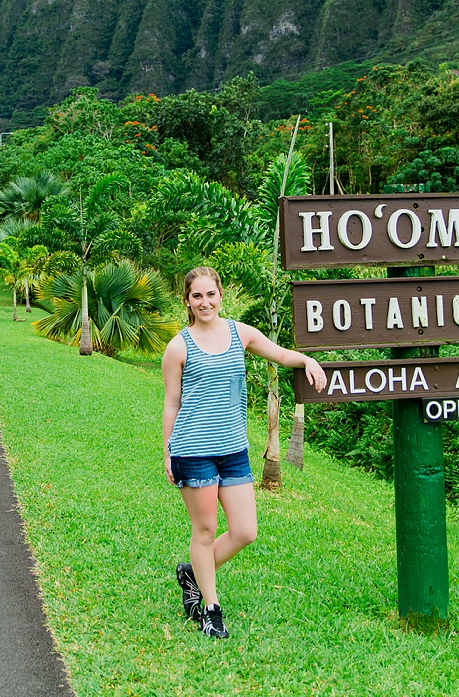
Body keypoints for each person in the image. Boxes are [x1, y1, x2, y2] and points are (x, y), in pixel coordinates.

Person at [161, 266, 327, 639]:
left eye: (211, 294)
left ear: (221, 295)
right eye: (197, 296)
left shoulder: (240, 333)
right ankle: (211, 608)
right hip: (193, 449)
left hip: (233, 448)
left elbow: (281, 355)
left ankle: (191, 572)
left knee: (245, 531)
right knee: (205, 530)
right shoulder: (179, 346)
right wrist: (168, 451)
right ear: (187, 301)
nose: (205, 302)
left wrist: (307, 360)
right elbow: (171, 404)